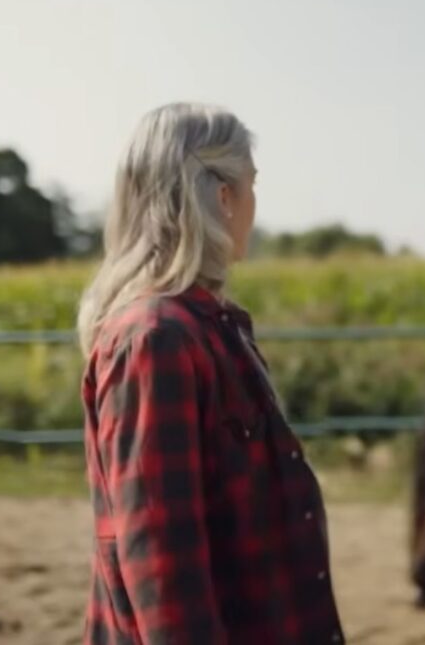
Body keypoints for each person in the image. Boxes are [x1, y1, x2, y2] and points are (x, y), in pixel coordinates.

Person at [76, 103, 344, 644]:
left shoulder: (210, 329)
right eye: (251, 184)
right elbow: (162, 565)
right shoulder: (156, 340)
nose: (254, 204)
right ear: (222, 197)